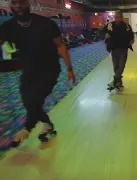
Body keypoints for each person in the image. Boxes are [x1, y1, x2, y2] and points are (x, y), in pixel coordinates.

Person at [0, 0, 76, 147]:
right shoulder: (8, 27)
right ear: (11, 6)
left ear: (28, 4)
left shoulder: (45, 23)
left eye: (21, 2)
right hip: (29, 70)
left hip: (50, 69)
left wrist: (70, 69)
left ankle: (27, 129)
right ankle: (47, 124)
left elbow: (60, 45)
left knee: (35, 100)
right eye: (14, 3)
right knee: (28, 100)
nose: (18, 6)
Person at [105, 10, 134, 89]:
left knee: (121, 66)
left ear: (122, 17)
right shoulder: (110, 25)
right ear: (114, 17)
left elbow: (131, 35)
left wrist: (132, 40)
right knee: (116, 67)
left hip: (123, 50)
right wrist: (105, 35)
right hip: (114, 50)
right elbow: (101, 32)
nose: (118, 19)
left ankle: (115, 81)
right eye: (116, 17)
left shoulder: (127, 26)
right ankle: (119, 83)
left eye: (120, 17)